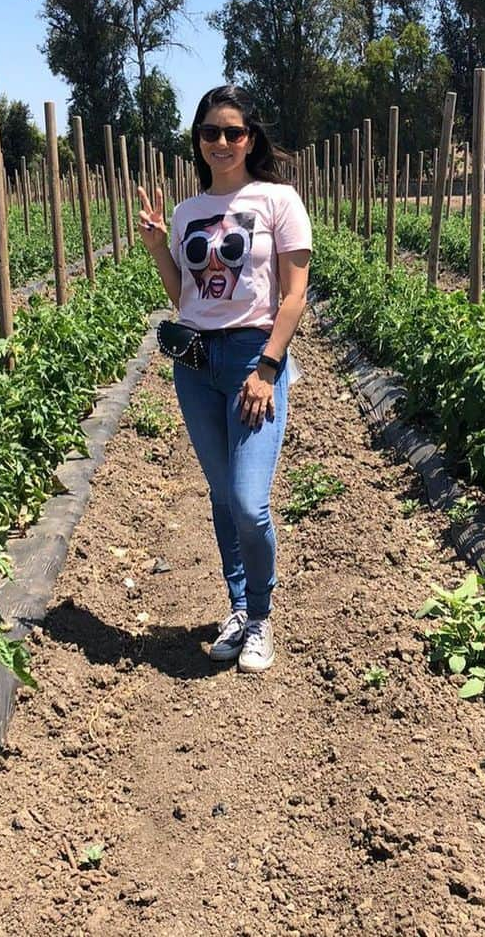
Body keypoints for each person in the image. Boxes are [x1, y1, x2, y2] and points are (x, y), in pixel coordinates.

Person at [136, 85, 312, 674]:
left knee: (247, 500)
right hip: (196, 364)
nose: (221, 142)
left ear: (251, 138)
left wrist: (268, 366)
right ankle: (237, 606)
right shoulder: (187, 212)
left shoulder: (278, 200)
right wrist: (161, 246)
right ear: (198, 140)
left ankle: (260, 615)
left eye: (233, 132)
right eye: (210, 132)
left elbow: (293, 297)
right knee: (219, 495)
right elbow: (185, 296)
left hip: (251, 359)